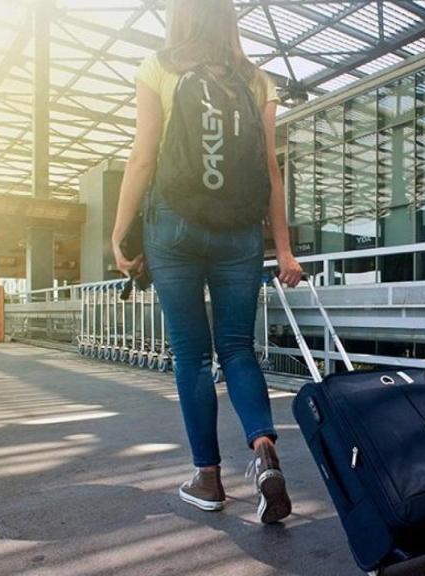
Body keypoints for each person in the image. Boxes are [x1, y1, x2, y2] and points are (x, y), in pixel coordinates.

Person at [111, 0, 302, 523]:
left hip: (173, 227)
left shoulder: (160, 67)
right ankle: (264, 453)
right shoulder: (257, 80)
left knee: (192, 355)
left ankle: (208, 477)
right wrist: (282, 248)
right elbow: (270, 169)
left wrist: (120, 229)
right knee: (238, 349)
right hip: (241, 234)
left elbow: (142, 156)